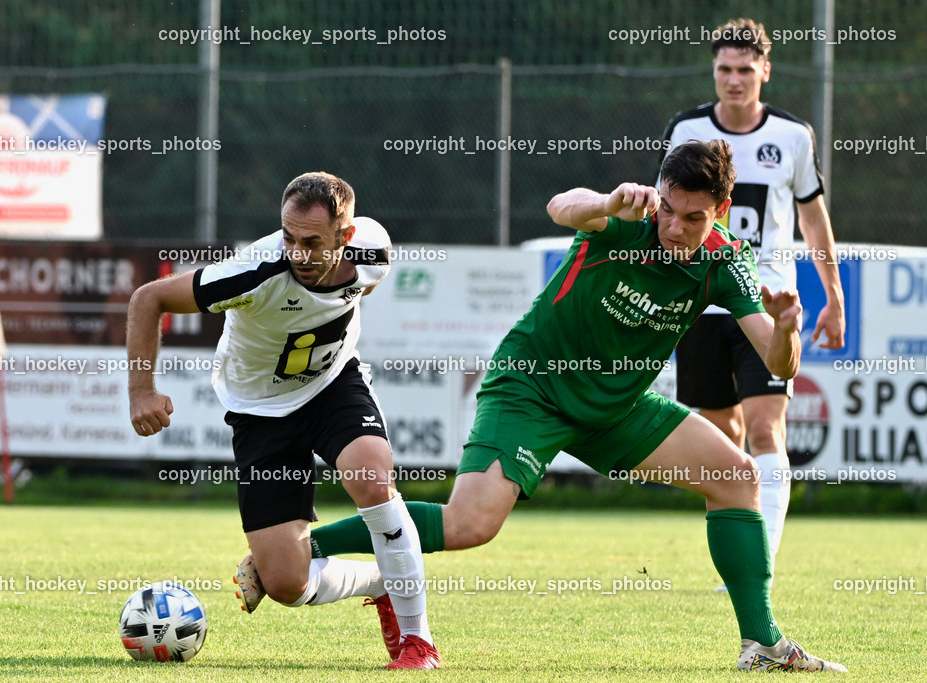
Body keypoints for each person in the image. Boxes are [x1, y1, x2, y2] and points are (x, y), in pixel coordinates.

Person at [237, 142, 846, 672]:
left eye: (692, 218)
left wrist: (787, 328)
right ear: (657, 193)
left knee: (738, 478)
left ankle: (762, 644)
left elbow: (780, 363)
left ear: (720, 212)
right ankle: (307, 550)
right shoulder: (628, 220)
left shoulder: (726, 259)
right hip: (533, 387)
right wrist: (609, 202)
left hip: (615, 408)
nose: (673, 227)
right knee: (470, 525)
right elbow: (562, 206)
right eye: (667, 208)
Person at [125, 171, 440, 670]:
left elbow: (357, 291)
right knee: (287, 584)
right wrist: (142, 390)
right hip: (260, 411)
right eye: (289, 237)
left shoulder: (372, 252)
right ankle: (381, 582)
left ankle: (417, 641)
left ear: (346, 236)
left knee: (373, 479)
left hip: (331, 386)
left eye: (312, 242)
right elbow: (149, 298)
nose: (297, 252)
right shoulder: (254, 272)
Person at [660, 18, 846, 582]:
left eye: (745, 69)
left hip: (765, 306)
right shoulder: (687, 129)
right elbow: (667, 214)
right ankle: (740, 553)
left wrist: (833, 297)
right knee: (725, 442)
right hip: (702, 305)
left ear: (765, 70)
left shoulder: (792, 136)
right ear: (713, 71)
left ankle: (759, 563)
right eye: (724, 68)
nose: (734, 79)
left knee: (765, 430)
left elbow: (813, 222)